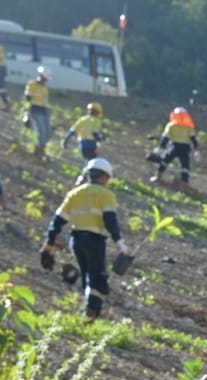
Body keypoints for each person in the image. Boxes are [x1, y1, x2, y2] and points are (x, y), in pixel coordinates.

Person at [41, 158, 128, 321]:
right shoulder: (105, 195)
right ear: (104, 177)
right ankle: (90, 314)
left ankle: (87, 309)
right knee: (98, 279)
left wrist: (48, 245)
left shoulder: (74, 193)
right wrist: (118, 241)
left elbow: (57, 221)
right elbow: (110, 219)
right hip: (95, 241)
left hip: (76, 241)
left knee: (88, 274)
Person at [153, 106, 199, 186]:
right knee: (184, 165)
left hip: (174, 146)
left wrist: (161, 148)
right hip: (185, 148)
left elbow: (165, 138)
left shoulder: (171, 125)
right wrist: (196, 150)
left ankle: (158, 176)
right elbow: (193, 139)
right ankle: (185, 182)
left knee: (165, 160)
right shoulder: (188, 127)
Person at [23, 66, 52, 158]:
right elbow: (27, 98)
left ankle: (41, 148)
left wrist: (48, 112)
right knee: (42, 131)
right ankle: (39, 151)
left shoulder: (45, 88)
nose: (45, 80)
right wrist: (26, 113)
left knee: (48, 131)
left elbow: (45, 102)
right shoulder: (31, 84)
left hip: (43, 111)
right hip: (35, 110)